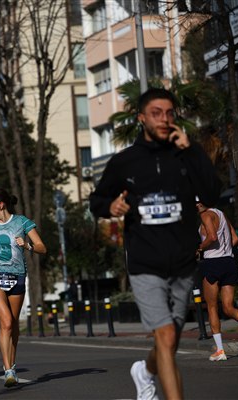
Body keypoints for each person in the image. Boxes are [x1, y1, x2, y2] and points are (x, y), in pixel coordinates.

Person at [89, 88, 221, 400]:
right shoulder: (124, 161)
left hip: (183, 263)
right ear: (141, 118)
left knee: (169, 341)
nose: (164, 119)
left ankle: (145, 371)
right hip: (145, 263)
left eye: (169, 113)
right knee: (165, 335)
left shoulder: (185, 155)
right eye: (156, 113)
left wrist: (192, 151)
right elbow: (97, 201)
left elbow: (212, 195)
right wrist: (110, 207)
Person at [0, 187, 46, 388]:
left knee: (13, 325)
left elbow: (42, 247)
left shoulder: (22, 222)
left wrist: (27, 245)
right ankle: (8, 370)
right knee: (5, 322)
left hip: (17, 276)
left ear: (1, 204)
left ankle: (12, 364)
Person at [196, 201, 238, 360]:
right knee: (228, 307)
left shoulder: (206, 215)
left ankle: (220, 351)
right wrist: (223, 251)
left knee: (212, 307)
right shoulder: (222, 214)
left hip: (213, 263)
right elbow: (235, 238)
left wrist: (200, 248)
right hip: (228, 262)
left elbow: (212, 237)